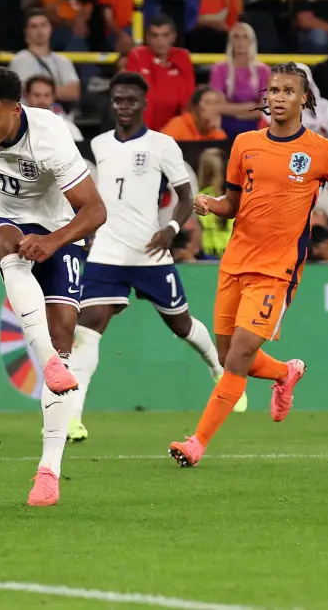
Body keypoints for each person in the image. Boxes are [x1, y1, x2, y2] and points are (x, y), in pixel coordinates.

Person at [169, 62, 328, 468]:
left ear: (304, 99)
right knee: (228, 355)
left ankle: (197, 443)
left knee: (239, 354)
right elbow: (233, 204)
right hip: (235, 262)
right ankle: (284, 373)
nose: (279, 98)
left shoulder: (323, 151)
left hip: (277, 269)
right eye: (274, 91)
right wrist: (211, 205)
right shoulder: (245, 144)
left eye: (287, 91)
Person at [0, 64, 106, 507]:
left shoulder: (51, 137)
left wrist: (53, 242)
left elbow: (95, 210)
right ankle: (48, 362)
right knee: (12, 249)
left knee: (63, 333)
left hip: (59, 228)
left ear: (16, 111)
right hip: (2, 219)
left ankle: (48, 471)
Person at [68, 73, 243, 443]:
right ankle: (73, 418)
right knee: (87, 330)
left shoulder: (162, 145)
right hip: (107, 252)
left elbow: (186, 196)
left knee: (182, 326)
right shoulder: (100, 144)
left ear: (143, 104)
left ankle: (218, 367)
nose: (123, 106)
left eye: (131, 100)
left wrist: (172, 230)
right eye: (118, 100)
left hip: (150, 252)